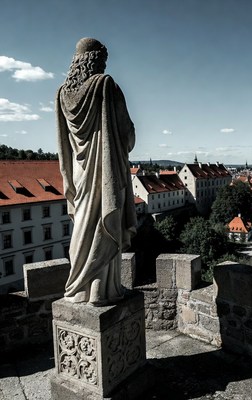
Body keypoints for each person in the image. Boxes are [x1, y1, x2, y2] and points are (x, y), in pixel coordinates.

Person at [56, 38, 137, 306]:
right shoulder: (105, 85)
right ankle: (101, 292)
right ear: (96, 59)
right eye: (103, 59)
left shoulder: (62, 95)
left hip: (78, 175)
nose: (104, 64)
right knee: (103, 225)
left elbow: (63, 142)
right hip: (104, 173)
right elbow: (126, 134)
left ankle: (78, 288)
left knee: (83, 225)